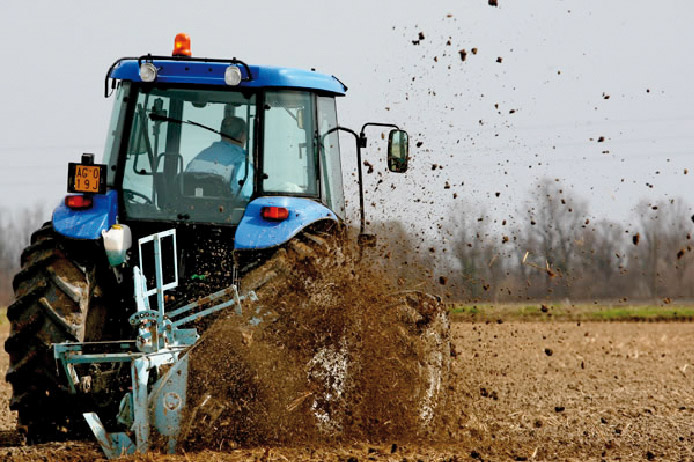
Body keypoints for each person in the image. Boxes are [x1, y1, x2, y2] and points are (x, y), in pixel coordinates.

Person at [185, 116, 252, 198]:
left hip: (190, 208)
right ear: (242, 136)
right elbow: (244, 195)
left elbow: (184, 186)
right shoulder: (241, 162)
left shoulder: (198, 158)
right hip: (223, 209)